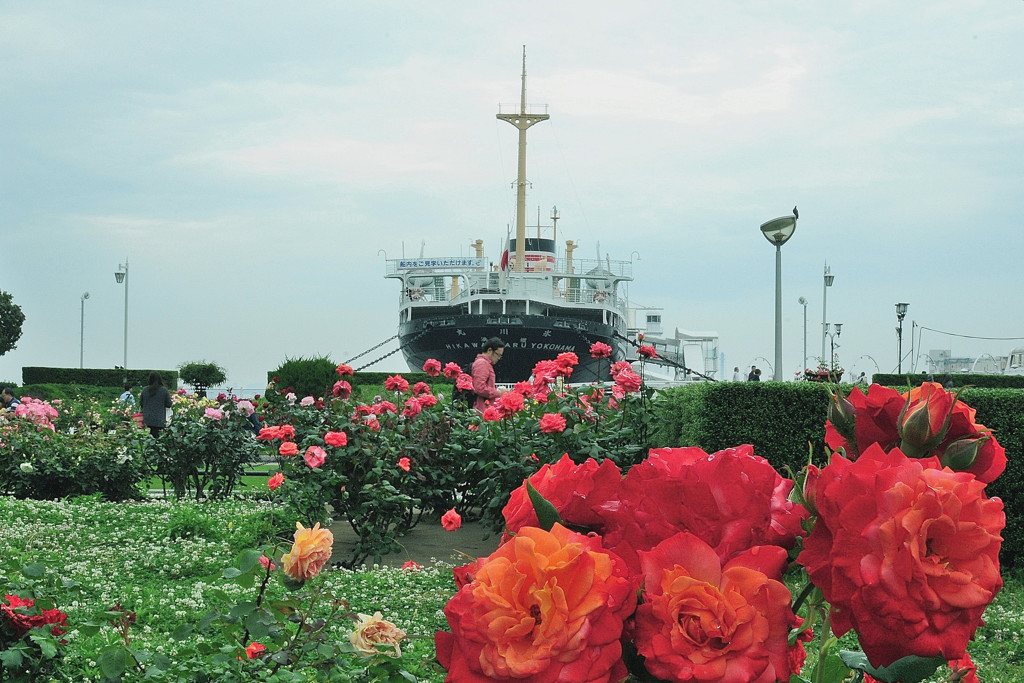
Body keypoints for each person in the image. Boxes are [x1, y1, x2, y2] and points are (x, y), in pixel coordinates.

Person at [471, 337, 505, 412]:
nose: (499, 358)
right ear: (489, 350)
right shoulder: (482, 363)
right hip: (481, 410)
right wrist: (499, 393)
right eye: (498, 355)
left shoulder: (484, 363)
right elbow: (480, 388)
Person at [139, 371, 173, 438]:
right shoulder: (164, 390)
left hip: (147, 420)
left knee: (147, 440)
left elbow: (141, 404)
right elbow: (169, 404)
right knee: (158, 440)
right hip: (159, 421)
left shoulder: (145, 390)